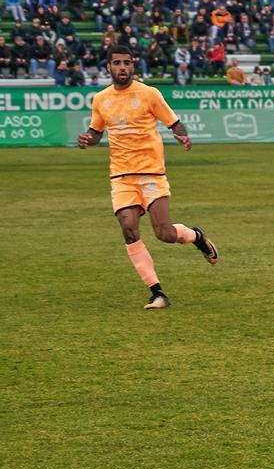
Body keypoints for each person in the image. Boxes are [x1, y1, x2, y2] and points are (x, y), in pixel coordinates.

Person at [76, 44, 219, 309]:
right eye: (117, 63)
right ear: (108, 66)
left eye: (127, 63)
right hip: (121, 175)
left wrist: (182, 134)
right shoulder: (100, 99)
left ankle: (197, 237)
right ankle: (157, 292)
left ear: (133, 65)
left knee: (163, 233)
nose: (122, 67)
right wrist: (88, 139)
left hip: (151, 171)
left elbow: (174, 122)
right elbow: (96, 132)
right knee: (129, 230)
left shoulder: (149, 94)